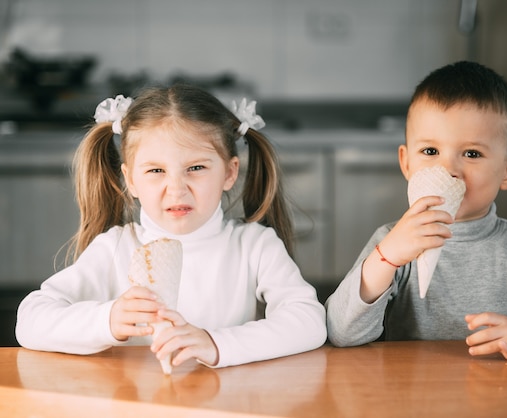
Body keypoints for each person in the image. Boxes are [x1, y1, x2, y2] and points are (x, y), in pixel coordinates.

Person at [325, 61, 507, 360]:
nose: (448, 169)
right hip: (415, 399)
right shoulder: (390, 242)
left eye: (472, 153)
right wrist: (385, 259)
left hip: (505, 397)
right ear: (406, 163)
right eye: (430, 151)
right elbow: (340, 332)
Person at [16, 84, 327, 368]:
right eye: (155, 170)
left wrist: (216, 344)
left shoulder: (255, 246)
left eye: (196, 168)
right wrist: (106, 320)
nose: (176, 189)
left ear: (230, 172)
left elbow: (308, 321)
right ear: (131, 180)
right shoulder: (114, 248)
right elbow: (30, 320)